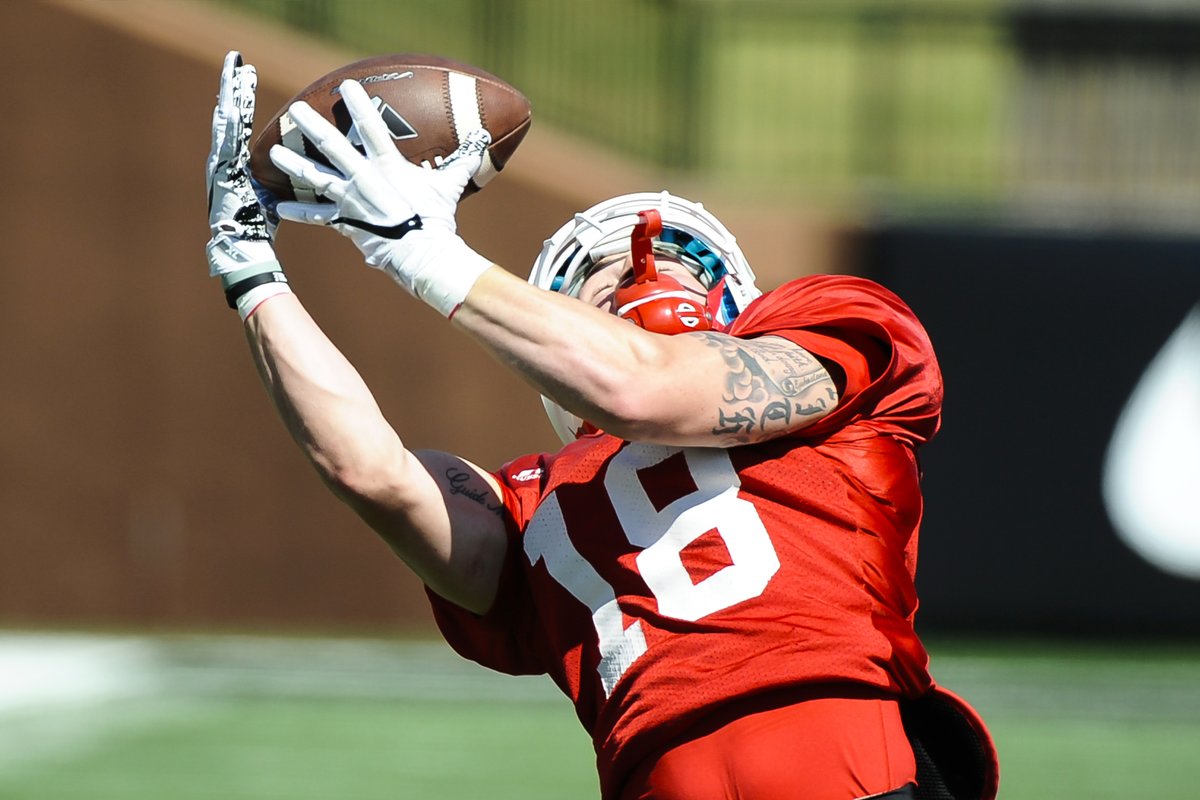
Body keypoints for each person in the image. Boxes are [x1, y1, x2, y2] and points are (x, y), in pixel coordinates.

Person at [205, 51, 998, 800]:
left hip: (853, 767)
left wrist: (428, 255)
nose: (643, 263)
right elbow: (371, 472)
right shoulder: (533, 499)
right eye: (596, 274)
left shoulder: (831, 329)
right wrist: (250, 270)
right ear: (552, 332)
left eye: (680, 253)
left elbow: (644, 387)